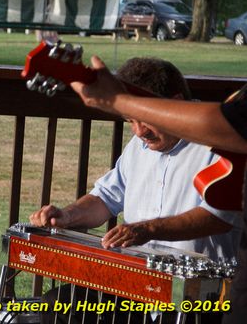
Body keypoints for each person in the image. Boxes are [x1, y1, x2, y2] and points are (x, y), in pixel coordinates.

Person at [29, 57, 242, 324]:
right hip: (136, 288)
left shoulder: (218, 141)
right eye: (130, 120)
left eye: (145, 120)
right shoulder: (139, 144)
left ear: (176, 103)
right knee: (59, 306)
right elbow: (105, 198)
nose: (139, 131)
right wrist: (68, 216)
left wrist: (147, 229)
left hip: (200, 298)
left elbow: (219, 217)